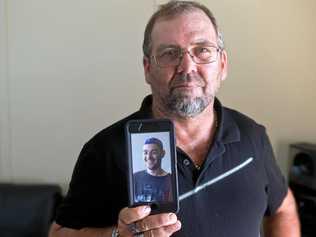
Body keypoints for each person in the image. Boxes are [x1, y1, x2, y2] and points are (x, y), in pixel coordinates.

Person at [49, 1, 300, 237]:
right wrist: (117, 234)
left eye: (202, 50)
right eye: (170, 53)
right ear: (147, 68)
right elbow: (58, 233)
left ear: (222, 64)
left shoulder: (252, 136)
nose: (187, 66)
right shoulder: (105, 150)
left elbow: (283, 207)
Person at [134, 137, 172, 203]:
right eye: (145, 152)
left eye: (154, 152)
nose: (149, 157)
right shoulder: (134, 177)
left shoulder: (171, 180)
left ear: (163, 153)